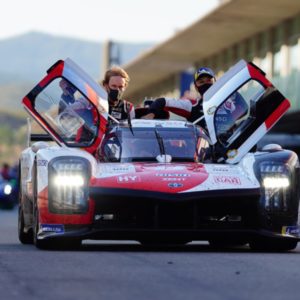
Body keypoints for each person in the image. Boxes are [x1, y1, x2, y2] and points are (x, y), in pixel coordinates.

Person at [142, 67, 216, 129]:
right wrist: (150, 114)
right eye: (201, 82)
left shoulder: (226, 101)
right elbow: (162, 101)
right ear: (196, 87)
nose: (206, 84)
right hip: (204, 145)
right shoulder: (191, 106)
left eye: (209, 80)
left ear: (215, 82)